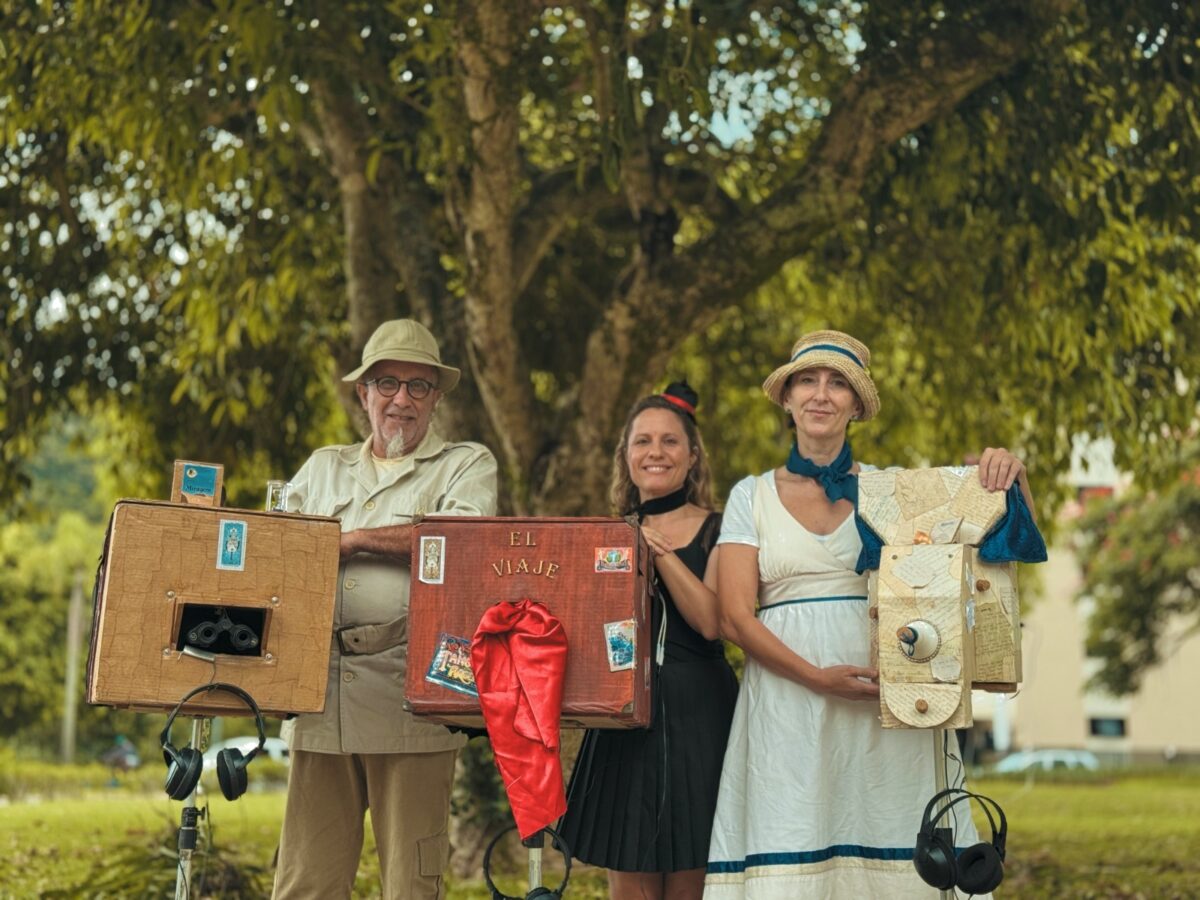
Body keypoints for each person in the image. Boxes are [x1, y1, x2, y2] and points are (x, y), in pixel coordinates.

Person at [705, 330, 1032, 899]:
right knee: (795, 833)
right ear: (787, 398)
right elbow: (734, 618)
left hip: (891, 694)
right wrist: (818, 679)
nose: (821, 394)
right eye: (807, 380)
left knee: (893, 831)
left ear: (857, 405)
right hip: (787, 703)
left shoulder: (898, 490)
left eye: (838, 384)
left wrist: (1006, 473)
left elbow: (986, 541)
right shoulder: (749, 495)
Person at [273, 319, 498, 899]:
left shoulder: (466, 464)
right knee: (306, 882)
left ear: (437, 398)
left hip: (413, 696)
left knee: (410, 885)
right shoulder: (323, 468)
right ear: (363, 393)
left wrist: (353, 540)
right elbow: (280, 554)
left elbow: (462, 546)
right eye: (388, 383)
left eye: (419, 387)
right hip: (321, 696)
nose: (402, 399)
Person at [559, 382, 739, 900]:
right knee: (630, 882)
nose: (655, 452)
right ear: (626, 456)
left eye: (669, 441)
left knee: (692, 878)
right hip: (623, 721)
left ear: (693, 455)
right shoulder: (605, 534)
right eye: (642, 442)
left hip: (699, 715)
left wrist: (656, 551)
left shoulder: (721, 528)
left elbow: (712, 622)